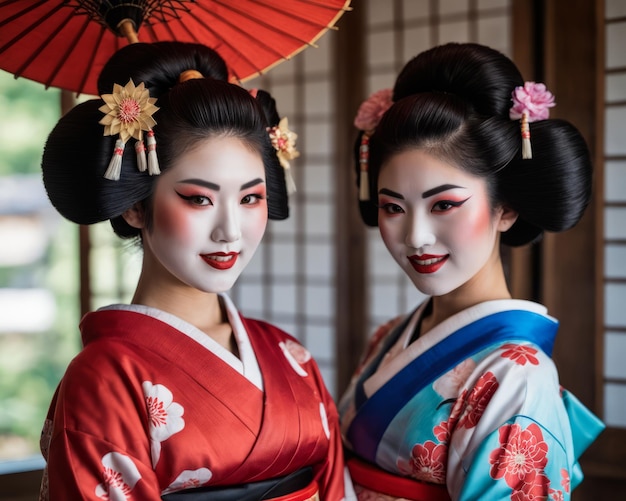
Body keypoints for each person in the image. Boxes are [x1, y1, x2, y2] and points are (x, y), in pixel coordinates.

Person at [39, 41, 348, 500]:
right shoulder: (105, 378)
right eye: (198, 198)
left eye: (250, 198)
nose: (230, 231)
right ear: (136, 208)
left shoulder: (287, 353)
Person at [338, 42, 604, 501]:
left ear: (506, 207)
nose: (416, 236)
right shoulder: (389, 337)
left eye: (444, 205)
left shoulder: (517, 375)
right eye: (393, 207)